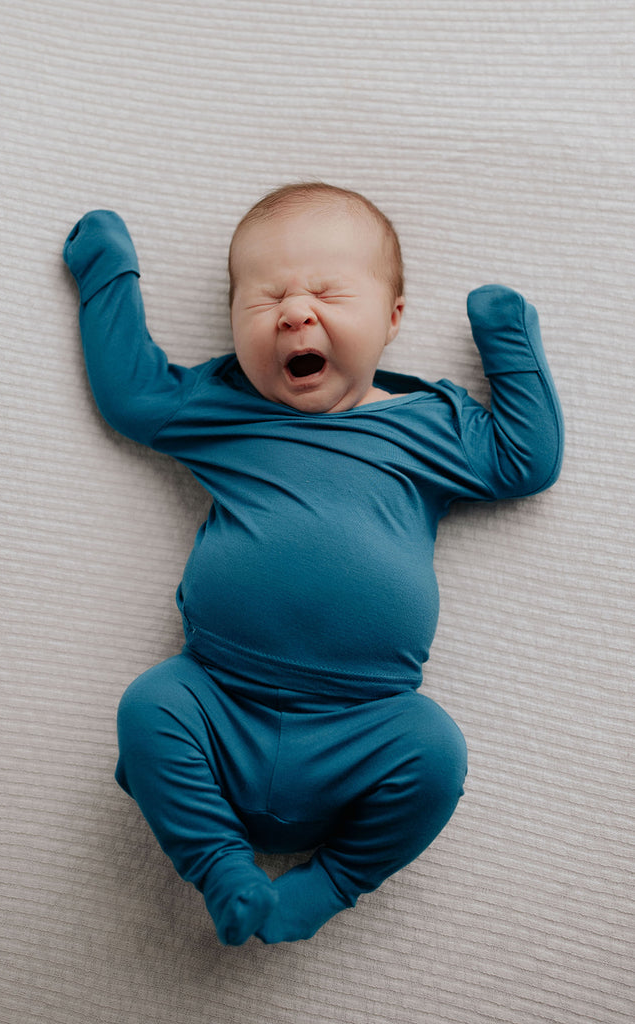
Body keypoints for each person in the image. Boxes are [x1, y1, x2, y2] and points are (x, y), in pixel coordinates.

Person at [63, 182, 564, 945]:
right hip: (218, 701)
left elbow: (527, 460)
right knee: (148, 706)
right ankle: (221, 866)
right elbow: (133, 394)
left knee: (435, 752)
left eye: (328, 292)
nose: (295, 311)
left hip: (362, 725)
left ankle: (331, 883)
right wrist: (108, 271)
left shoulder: (429, 424)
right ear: (234, 327)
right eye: (265, 301)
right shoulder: (225, 406)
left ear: (394, 317)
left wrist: (509, 341)